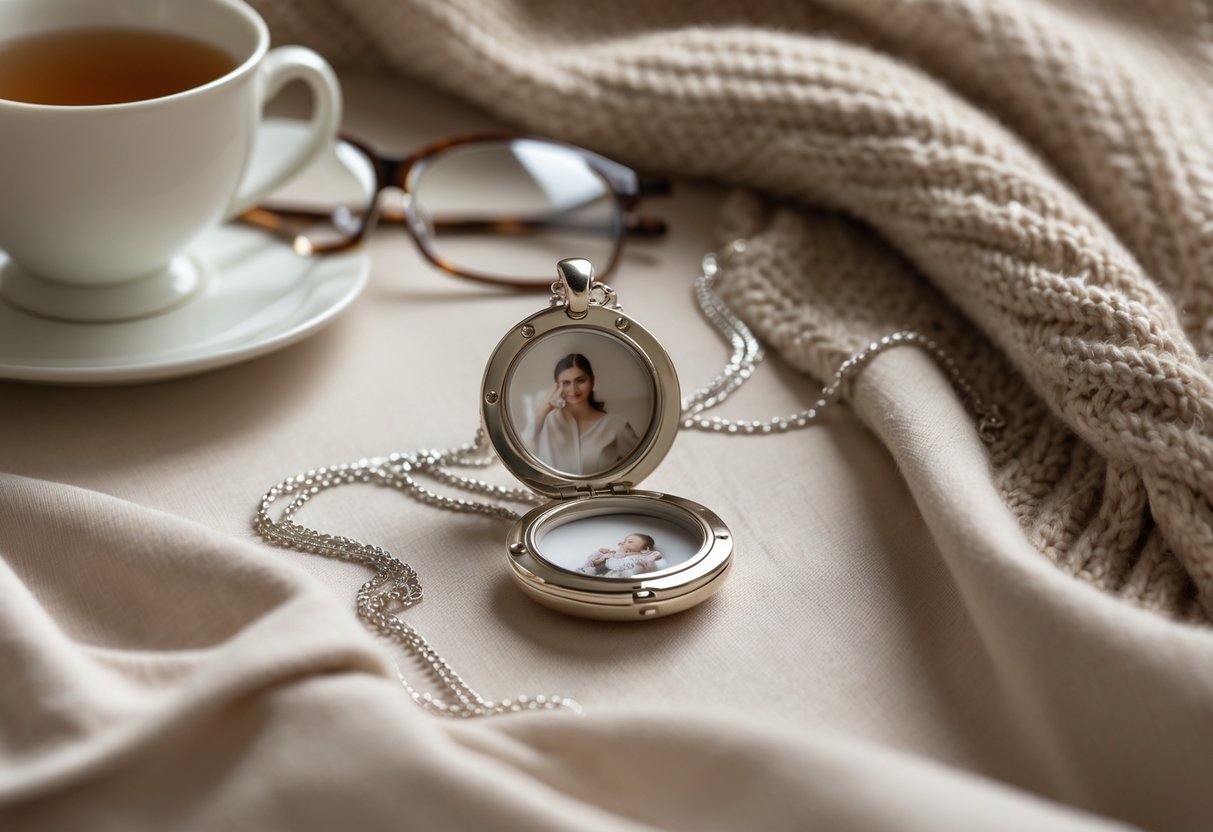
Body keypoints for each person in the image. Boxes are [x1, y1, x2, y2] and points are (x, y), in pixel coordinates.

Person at [524, 353, 640, 474]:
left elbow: (640, 465)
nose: (573, 390)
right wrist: (545, 407)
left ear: (592, 381)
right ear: (556, 386)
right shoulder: (546, 423)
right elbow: (523, 455)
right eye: (566, 383)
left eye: (580, 381)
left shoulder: (616, 426)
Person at [578, 533, 662, 578]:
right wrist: (598, 554)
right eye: (624, 542)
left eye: (630, 541)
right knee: (586, 569)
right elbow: (590, 563)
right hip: (601, 572)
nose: (624, 544)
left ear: (644, 549)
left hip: (616, 578)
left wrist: (606, 559)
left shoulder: (639, 557)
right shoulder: (614, 554)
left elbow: (619, 565)